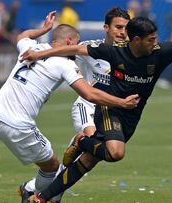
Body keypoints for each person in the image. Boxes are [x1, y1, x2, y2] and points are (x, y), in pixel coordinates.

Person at [20, 17, 172, 202]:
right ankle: (81, 141)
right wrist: (39, 54)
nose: (156, 43)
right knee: (116, 152)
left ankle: (42, 198)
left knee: (89, 160)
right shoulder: (113, 51)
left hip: (132, 116)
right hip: (110, 108)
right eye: (151, 39)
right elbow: (75, 48)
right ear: (136, 40)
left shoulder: (160, 52)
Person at [0, 11, 139, 202]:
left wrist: (45, 28)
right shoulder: (67, 62)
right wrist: (122, 103)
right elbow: (88, 93)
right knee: (54, 165)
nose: (122, 32)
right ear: (70, 43)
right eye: (118, 27)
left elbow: (22, 35)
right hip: (27, 122)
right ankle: (42, 193)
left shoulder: (31, 48)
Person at [18, 7, 130, 203]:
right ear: (106, 27)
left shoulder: (130, 54)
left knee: (88, 159)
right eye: (118, 27)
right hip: (87, 106)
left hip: (109, 113)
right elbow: (63, 49)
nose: (122, 32)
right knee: (91, 140)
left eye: (126, 28)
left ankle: (32, 187)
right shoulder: (90, 48)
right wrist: (37, 55)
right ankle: (53, 195)